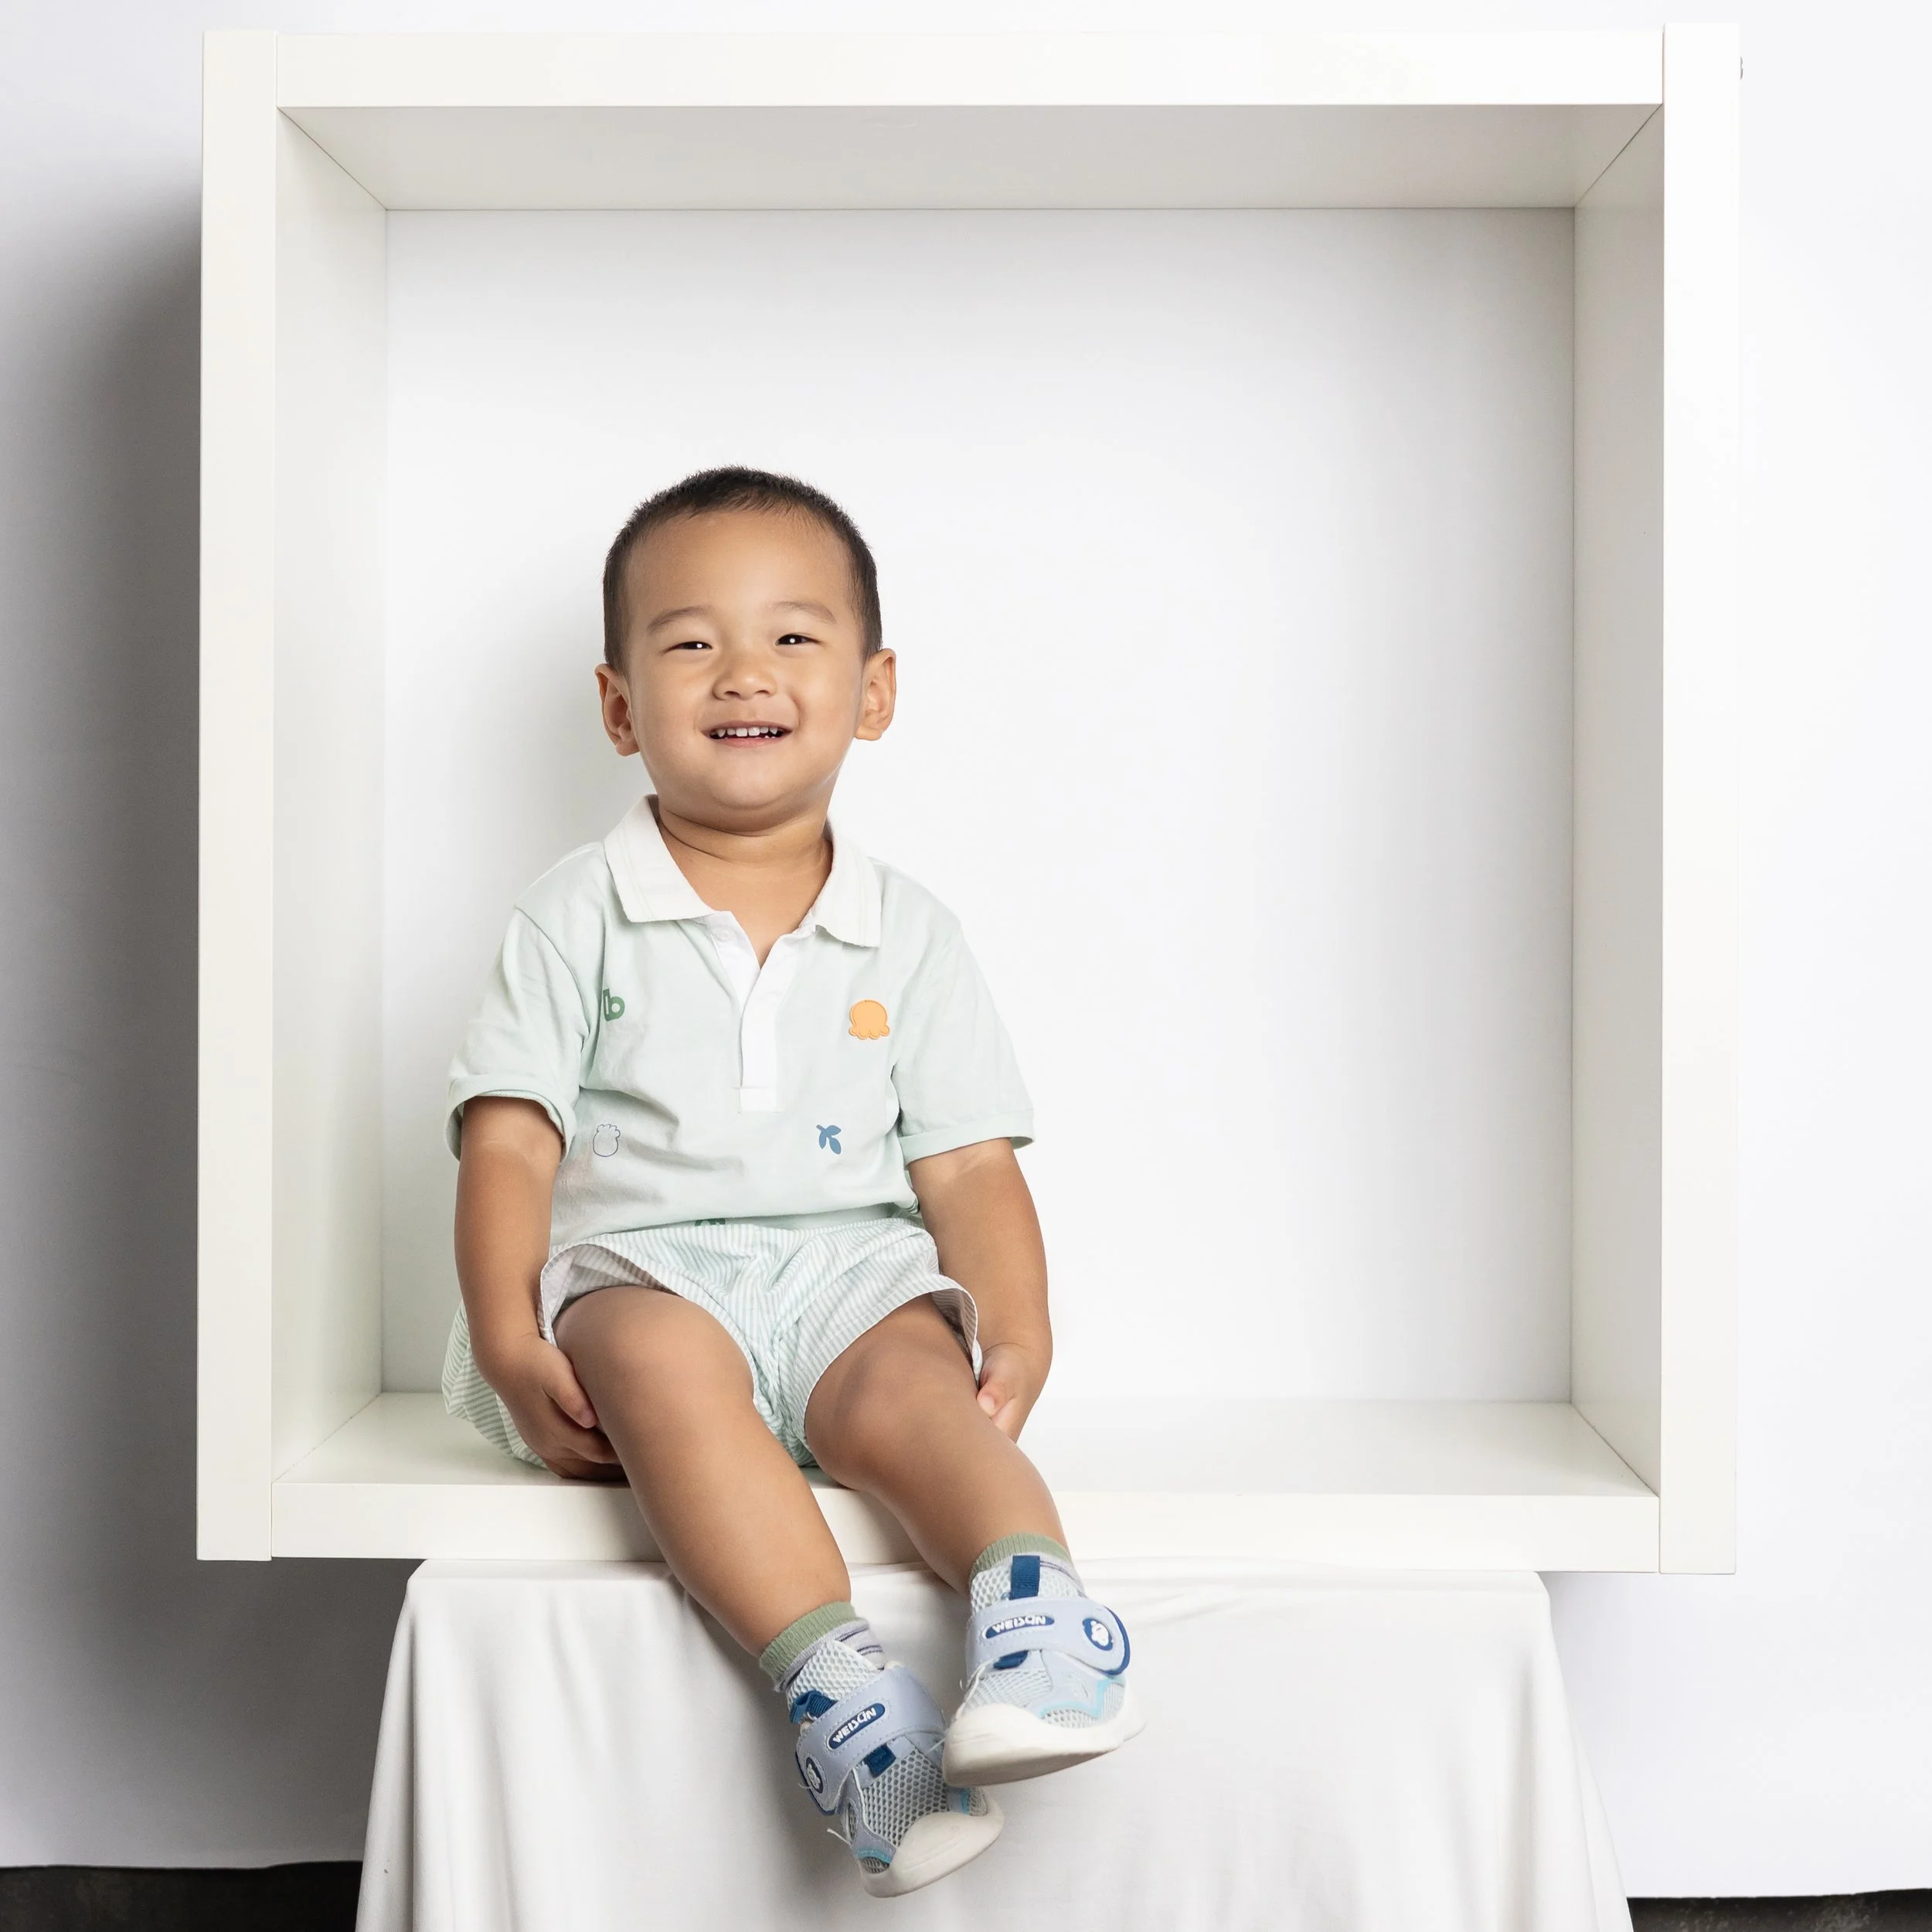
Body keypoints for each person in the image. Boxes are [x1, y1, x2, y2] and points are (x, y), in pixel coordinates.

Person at [439, 466, 1141, 1896]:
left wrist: (1018, 1326)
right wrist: (511, 1337)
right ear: (620, 706)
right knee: (654, 1361)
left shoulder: (911, 932)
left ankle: (1042, 1626)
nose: (744, 671)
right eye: (693, 642)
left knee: (916, 1382)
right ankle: (854, 1710)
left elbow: (966, 1161)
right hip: (647, 1270)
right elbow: (509, 1138)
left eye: (793, 637)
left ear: (874, 692)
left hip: (849, 1272)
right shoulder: (575, 914)